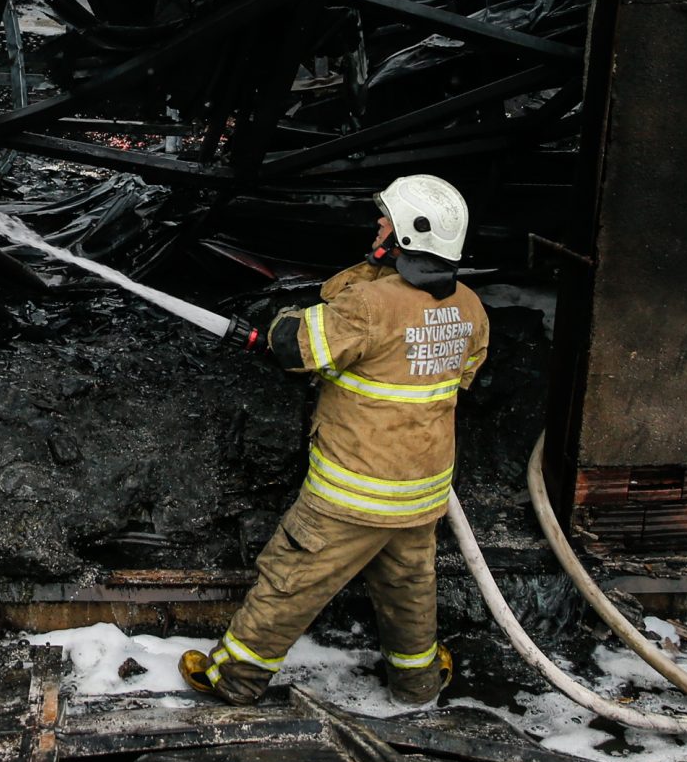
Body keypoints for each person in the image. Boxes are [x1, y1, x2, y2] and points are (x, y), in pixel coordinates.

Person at [183, 174, 489, 708]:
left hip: (352, 492)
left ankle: (234, 678)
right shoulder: (470, 308)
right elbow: (459, 376)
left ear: (409, 236)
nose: (378, 222)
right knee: (409, 589)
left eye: (387, 219)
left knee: (292, 576)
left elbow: (296, 348)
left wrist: (278, 323)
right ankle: (417, 684)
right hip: (420, 494)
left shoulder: (368, 306)